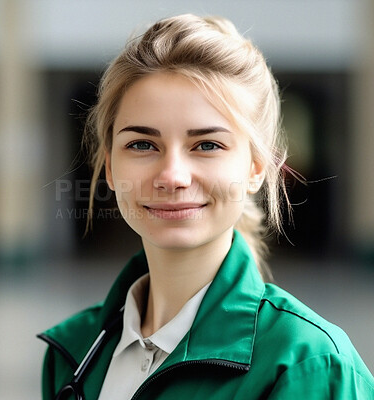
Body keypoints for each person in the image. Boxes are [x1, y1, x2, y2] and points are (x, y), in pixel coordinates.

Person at [38, 14, 374, 400]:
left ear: (256, 168)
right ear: (110, 168)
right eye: (142, 144)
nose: (172, 176)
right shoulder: (72, 352)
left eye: (207, 145)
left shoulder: (307, 365)